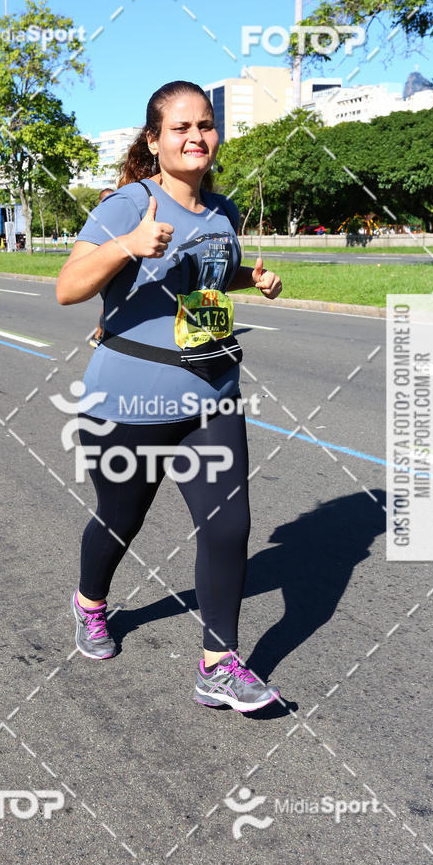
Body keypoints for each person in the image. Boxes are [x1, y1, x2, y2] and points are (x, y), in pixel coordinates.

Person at [56, 81, 283, 713]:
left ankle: (218, 664)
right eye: (180, 128)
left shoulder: (225, 211)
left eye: (205, 125)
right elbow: (68, 287)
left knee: (227, 527)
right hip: (129, 403)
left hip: (212, 392)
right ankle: (90, 603)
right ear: (154, 140)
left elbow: (208, 275)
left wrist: (251, 278)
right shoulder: (127, 205)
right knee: (120, 520)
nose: (196, 137)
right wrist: (126, 245)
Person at [89, 187, 115, 348]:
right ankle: (101, 335)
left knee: (109, 302)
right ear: (100, 202)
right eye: (105, 200)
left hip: (118, 266)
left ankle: (99, 333)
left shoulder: (121, 217)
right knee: (110, 301)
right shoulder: (96, 221)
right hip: (104, 266)